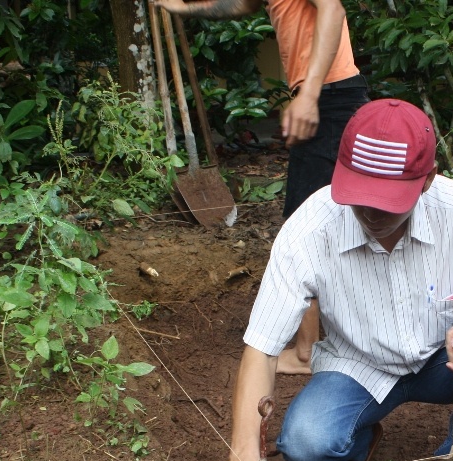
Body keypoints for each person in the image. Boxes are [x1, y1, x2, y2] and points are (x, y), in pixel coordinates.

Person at [218, 99, 453, 461]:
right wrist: (243, 454)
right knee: (304, 443)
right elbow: (261, 348)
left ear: (426, 181)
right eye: (360, 195)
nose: (371, 212)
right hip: (355, 367)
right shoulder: (311, 228)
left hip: (441, 360)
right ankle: (359, 439)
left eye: (387, 200)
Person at [156, 0, 370, 373]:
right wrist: (182, 7)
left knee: (303, 230)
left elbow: (332, 10)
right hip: (333, 94)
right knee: (339, 223)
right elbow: (239, 4)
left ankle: (307, 353)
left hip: (330, 96)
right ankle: (351, 336)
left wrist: (309, 95)